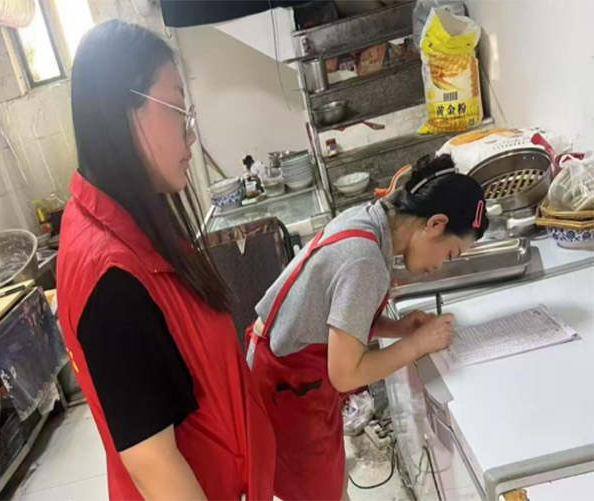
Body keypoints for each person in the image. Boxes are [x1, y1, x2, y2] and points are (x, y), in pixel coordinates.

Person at [57, 21, 275, 501]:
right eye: (178, 109)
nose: (191, 134)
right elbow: (154, 466)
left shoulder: (133, 222)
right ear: (123, 111)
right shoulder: (110, 277)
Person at [246, 154, 489, 501]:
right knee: (316, 492)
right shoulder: (365, 258)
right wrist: (418, 343)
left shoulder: (370, 219)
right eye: (449, 254)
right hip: (287, 387)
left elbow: (337, 316)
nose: (439, 266)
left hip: (293, 373)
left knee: (330, 485)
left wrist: (398, 328)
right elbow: (346, 375)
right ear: (435, 224)